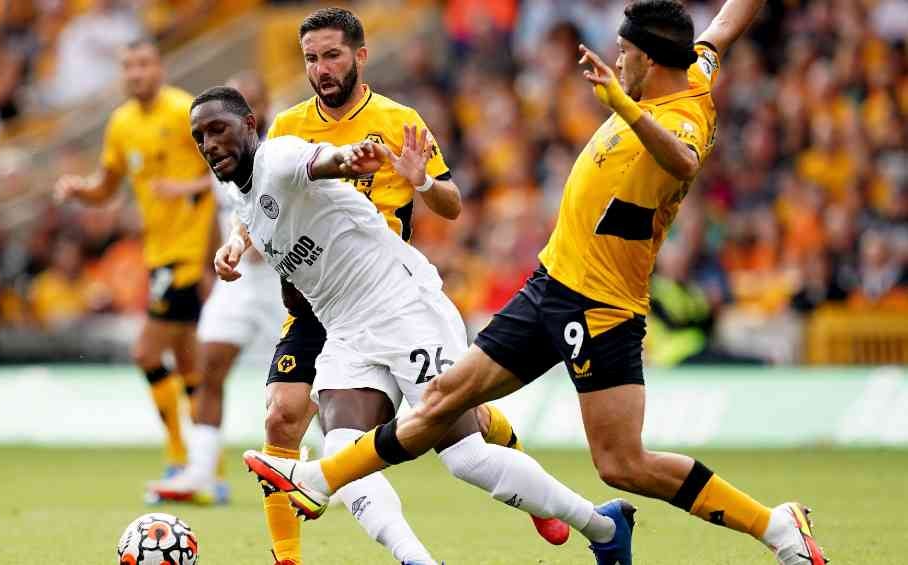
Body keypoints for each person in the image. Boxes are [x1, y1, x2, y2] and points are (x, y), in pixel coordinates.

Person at [243, 2, 829, 565]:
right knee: (446, 398)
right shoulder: (692, 67)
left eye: (624, 53)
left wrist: (623, 104)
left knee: (623, 463)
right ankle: (319, 480)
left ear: (648, 61)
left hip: (600, 306)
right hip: (549, 282)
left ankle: (774, 526)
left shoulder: (680, 116)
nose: (616, 61)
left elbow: (680, 161)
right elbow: (726, 23)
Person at [193, 86, 628, 565]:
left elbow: (322, 162)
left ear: (250, 126)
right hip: (346, 330)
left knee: (465, 459)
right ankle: (417, 561)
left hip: (403, 308)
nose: (210, 143)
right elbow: (255, 216)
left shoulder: (279, 156)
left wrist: (351, 158)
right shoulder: (247, 199)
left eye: (218, 129)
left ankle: (603, 525)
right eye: (200, 137)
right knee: (341, 453)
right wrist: (234, 246)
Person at [220, 9, 563, 565]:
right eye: (310, 58)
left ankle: (535, 495)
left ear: (359, 55)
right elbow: (259, 202)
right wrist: (238, 241)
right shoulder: (287, 127)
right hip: (312, 297)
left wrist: (420, 178)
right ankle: (287, 558)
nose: (321, 69)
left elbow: (451, 206)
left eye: (331, 55)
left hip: (381, 289)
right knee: (281, 415)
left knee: (457, 423)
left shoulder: (398, 118)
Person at [54, 38, 215, 491]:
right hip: (157, 254)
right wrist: (78, 191)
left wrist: (187, 194)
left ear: (160, 68)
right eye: (128, 66)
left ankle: (181, 457)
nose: (136, 74)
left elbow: (229, 170)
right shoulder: (121, 123)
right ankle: (209, 471)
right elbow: (106, 187)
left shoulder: (187, 112)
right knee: (186, 362)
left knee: (145, 352)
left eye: (144, 64)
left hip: (186, 254)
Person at [147, 72, 287, 505]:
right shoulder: (218, 152)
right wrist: (213, 263)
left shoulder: (282, 150)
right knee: (209, 367)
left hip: (289, 280)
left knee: (312, 383)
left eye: (249, 100)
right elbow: (219, 209)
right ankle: (202, 472)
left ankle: (332, 469)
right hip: (239, 283)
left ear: (259, 109)